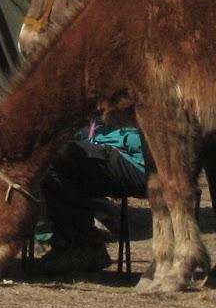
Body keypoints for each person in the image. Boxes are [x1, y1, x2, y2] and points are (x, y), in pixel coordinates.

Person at [38, 116, 148, 274]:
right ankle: (84, 244)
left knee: (59, 157)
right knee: (55, 153)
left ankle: (78, 246)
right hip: (104, 148)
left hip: (138, 160)